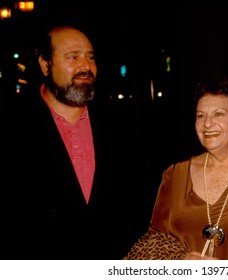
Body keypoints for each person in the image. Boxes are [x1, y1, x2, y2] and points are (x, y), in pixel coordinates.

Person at [0, 25, 151, 260]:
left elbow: (138, 209)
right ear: (45, 64)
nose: (86, 67)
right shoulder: (11, 130)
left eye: (90, 58)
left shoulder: (121, 126)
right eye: (73, 57)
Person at [124, 77, 228, 260]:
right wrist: (181, 260)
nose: (207, 124)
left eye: (218, 114)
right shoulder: (175, 174)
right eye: (200, 115)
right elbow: (153, 240)